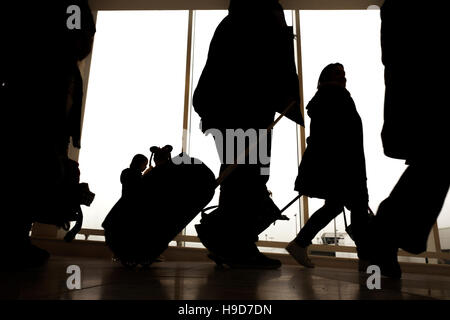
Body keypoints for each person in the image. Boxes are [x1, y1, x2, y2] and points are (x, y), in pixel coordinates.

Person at [193, 0, 303, 269]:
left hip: (232, 109)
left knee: (239, 177)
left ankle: (231, 245)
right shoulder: (256, 24)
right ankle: (237, 246)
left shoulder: (234, 23)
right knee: (248, 177)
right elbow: (267, 66)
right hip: (247, 109)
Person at [1, 1, 96, 269]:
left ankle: (14, 239)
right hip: (43, 95)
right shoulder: (71, 10)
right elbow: (80, 37)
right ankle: (15, 240)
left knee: (27, 169)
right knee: (33, 169)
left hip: (34, 92)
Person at [370, 0, 450, 278]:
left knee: (434, 165)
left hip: (420, 101)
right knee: (436, 165)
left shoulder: (401, 10)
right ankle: (387, 231)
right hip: (428, 99)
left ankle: (386, 233)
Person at [286, 63, 371, 270]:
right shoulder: (336, 97)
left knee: (336, 206)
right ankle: (368, 259)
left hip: (341, 166)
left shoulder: (326, 99)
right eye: (337, 73)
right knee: (356, 208)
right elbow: (343, 136)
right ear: (326, 77)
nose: (343, 77)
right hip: (347, 166)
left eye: (343, 73)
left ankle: (301, 243)